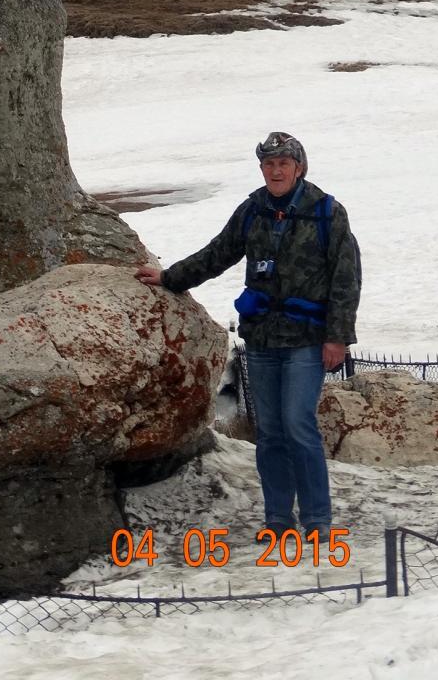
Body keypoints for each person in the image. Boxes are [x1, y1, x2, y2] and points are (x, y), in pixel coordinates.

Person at [136, 132, 360, 534]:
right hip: (261, 341)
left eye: (283, 163)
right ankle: (277, 519)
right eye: (269, 164)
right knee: (270, 432)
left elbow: (347, 277)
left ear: (299, 168)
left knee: (298, 426)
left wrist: (338, 337)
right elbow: (218, 253)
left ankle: (317, 520)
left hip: (307, 340)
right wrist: (171, 277)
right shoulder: (253, 209)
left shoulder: (326, 212)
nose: (276, 171)